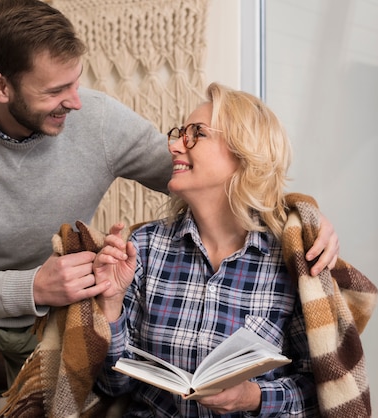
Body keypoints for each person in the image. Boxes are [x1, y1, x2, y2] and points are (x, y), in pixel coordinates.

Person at [0, 1, 339, 417]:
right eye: (56, 90)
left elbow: (215, 176)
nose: (76, 102)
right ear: (0, 85)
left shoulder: (98, 118)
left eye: (76, 81)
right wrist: (35, 286)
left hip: (60, 314)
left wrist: (299, 219)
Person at [93, 83, 323, 417]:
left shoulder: (291, 261)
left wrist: (253, 397)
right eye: (178, 133)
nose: (174, 145)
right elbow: (112, 387)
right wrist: (111, 303)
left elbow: (322, 390)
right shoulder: (142, 248)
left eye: (196, 134)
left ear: (245, 152)